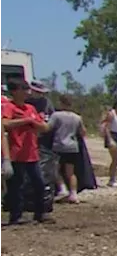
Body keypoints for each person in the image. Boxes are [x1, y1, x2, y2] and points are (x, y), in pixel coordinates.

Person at [2, 79, 52, 225]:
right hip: (16, 154)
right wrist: (24, 121)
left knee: (39, 184)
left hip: (32, 153)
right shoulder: (9, 107)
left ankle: (39, 213)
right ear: (14, 92)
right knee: (16, 186)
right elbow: (4, 124)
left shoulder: (30, 108)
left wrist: (32, 122)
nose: (27, 92)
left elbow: (44, 127)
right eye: (23, 89)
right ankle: (15, 216)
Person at [48, 95, 87, 204]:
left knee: (55, 170)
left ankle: (62, 189)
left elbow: (48, 127)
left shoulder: (56, 115)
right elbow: (83, 132)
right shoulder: (77, 117)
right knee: (71, 172)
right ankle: (73, 194)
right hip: (72, 147)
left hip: (58, 146)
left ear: (61, 103)